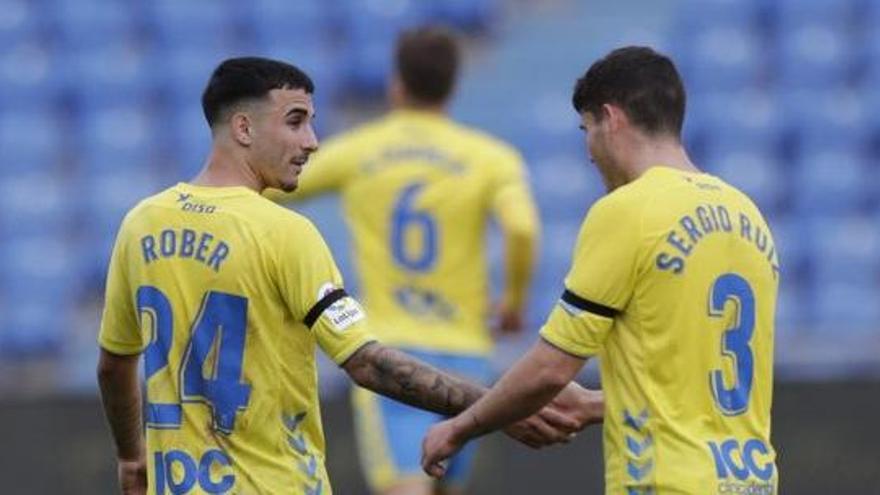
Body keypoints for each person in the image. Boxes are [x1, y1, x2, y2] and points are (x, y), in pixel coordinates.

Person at [96, 56, 602, 495]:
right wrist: (499, 408)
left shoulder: (142, 223)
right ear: (244, 129)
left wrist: (132, 457)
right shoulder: (285, 233)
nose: (313, 142)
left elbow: (115, 364)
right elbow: (365, 364)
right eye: (295, 122)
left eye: (312, 123)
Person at [422, 46, 780, 495]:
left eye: (586, 128)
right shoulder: (747, 215)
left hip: (663, 482)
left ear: (611, 119)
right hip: (753, 481)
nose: (589, 150)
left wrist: (460, 427)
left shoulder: (627, 210)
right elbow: (694, 386)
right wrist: (594, 405)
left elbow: (552, 369)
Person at [267, 27, 551, 495]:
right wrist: (514, 303)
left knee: (406, 486)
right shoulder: (490, 158)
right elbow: (521, 229)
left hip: (392, 351)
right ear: (453, 85)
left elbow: (271, 188)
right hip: (466, 353)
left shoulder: (361, 150)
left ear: (396, 83)